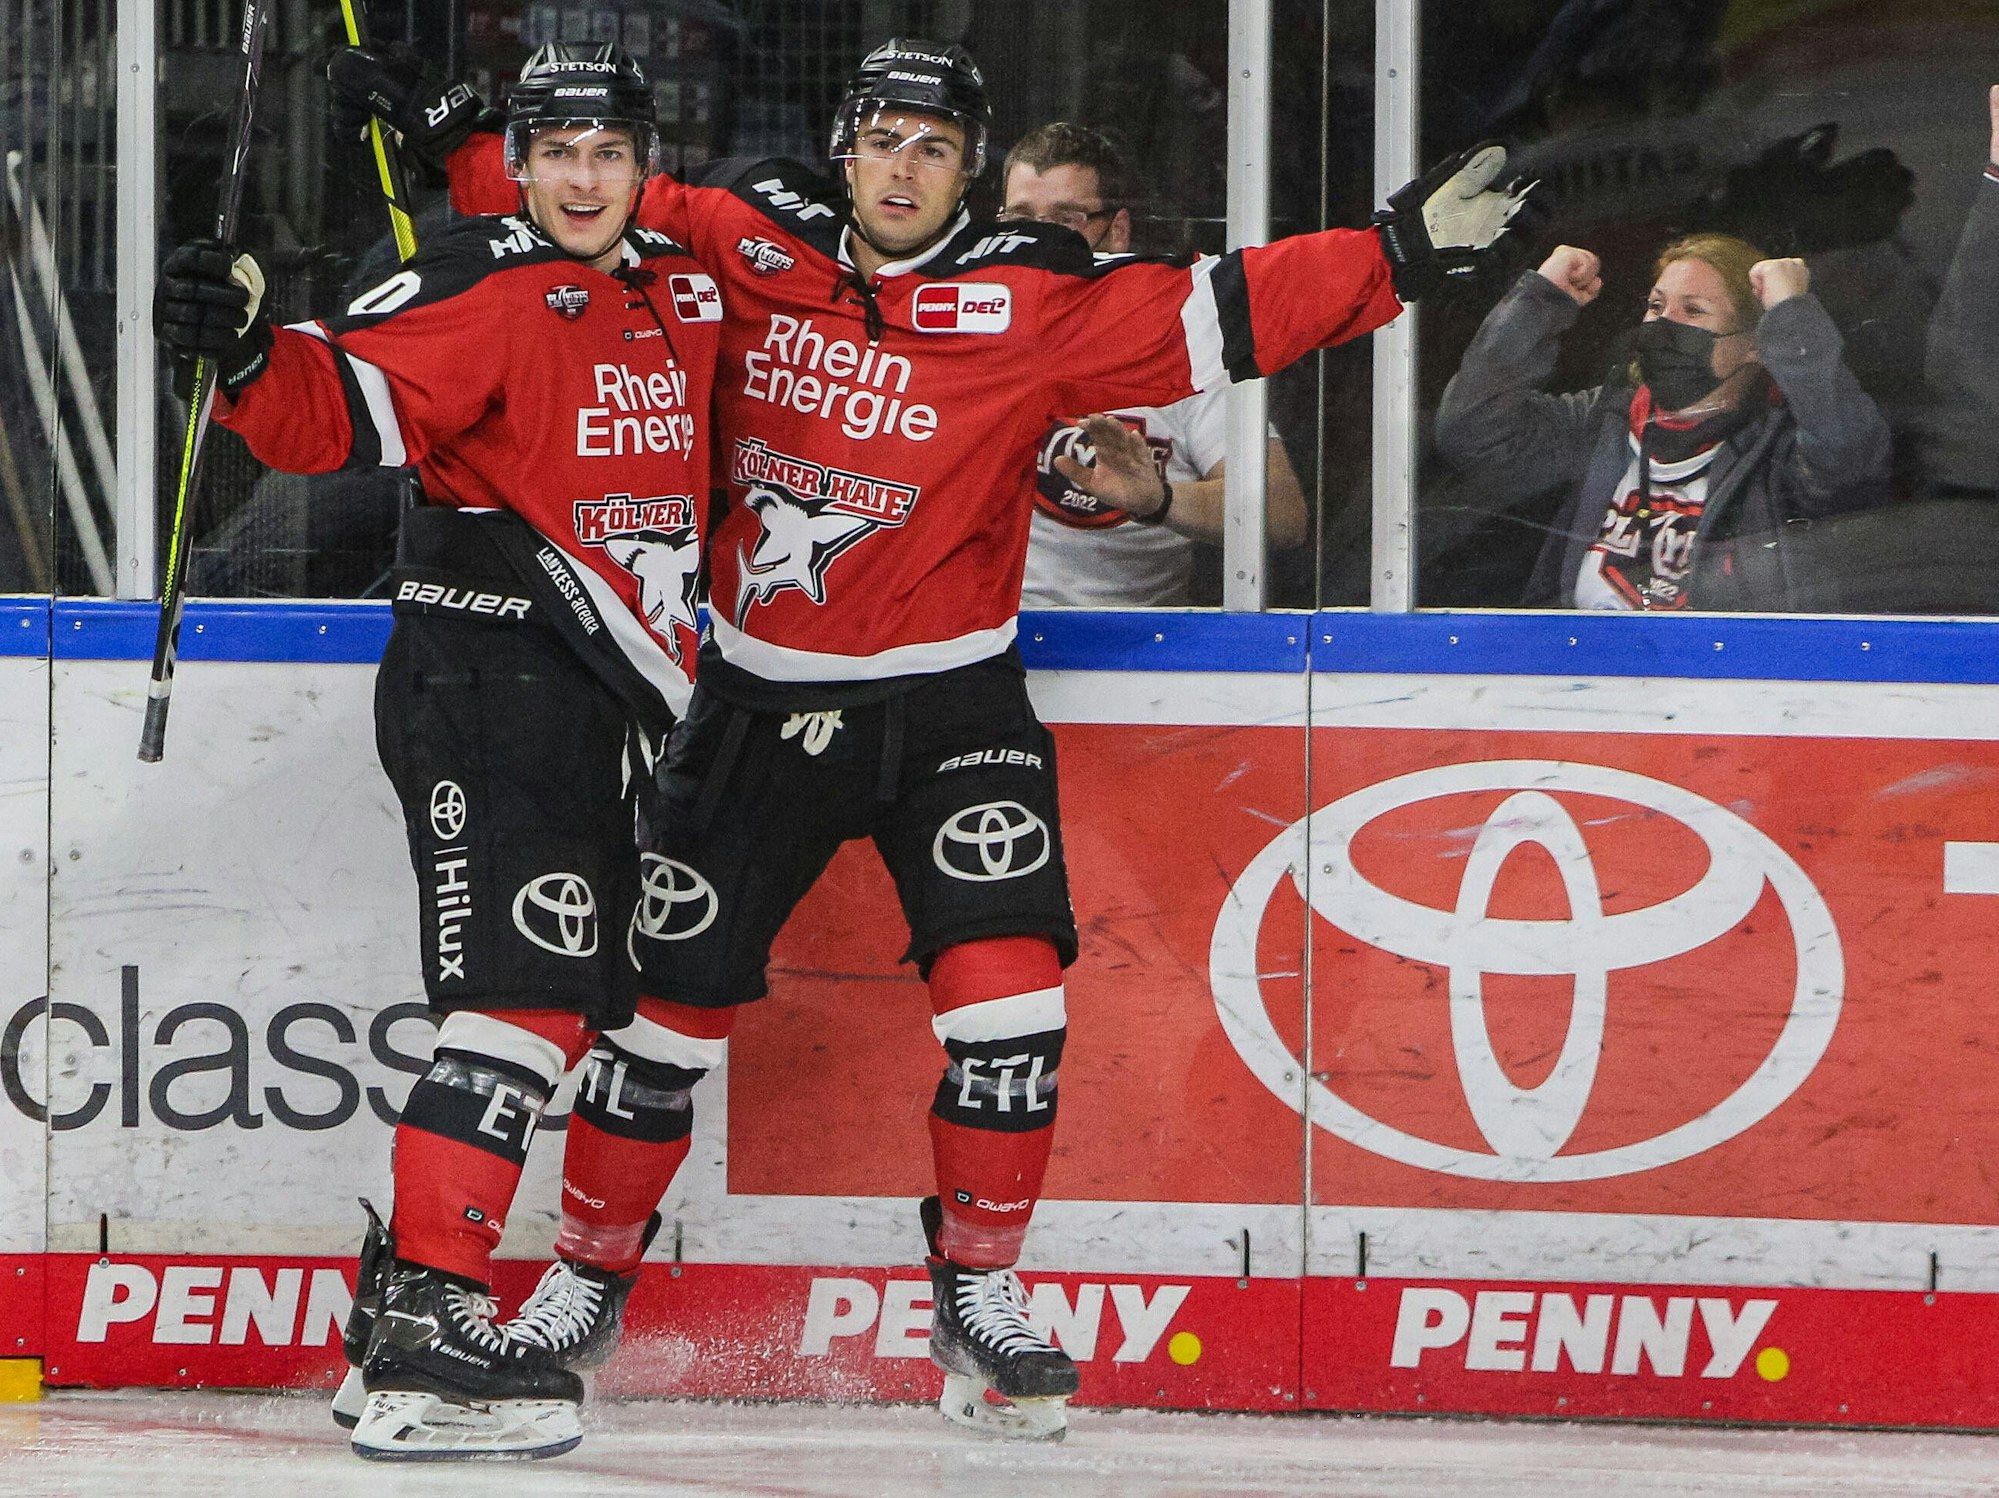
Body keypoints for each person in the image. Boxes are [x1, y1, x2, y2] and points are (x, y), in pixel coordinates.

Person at [332, 34, 1530, 1440]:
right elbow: (578, 209)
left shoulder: (1032, 295)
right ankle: (584, 1278)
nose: (902, 169)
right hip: (751, 705)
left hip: (954, 703)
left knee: (1011, 1010)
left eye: (934, 147)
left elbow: (1218, 311)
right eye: (882, 139)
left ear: (968, 167)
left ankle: (978, 1286)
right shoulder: (743, 239)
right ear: (842, 145)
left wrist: (1386, 256)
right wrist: (464, 147)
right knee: (657, 1029)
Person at [155, 44, 722, 1460]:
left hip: (596, 703)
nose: (584, 177)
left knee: (553, 1005)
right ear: (520, 165)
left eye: (609, 151)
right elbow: (332, 410)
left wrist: (442, 124)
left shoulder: (676, 281)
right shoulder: (472, 282)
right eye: (555, 152)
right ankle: (430, 1334)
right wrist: (240, 351)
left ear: (644, 160)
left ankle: (398, 1313)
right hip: (487, 677)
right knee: (518, 1005)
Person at [1435, 233, 1891, 610]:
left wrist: (1792, 317)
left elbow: (1849, 452)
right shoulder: (1602, 421)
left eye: (1693, 311)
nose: (1663, 324)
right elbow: (1472, 430)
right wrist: (1540, 300)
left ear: (1755, 344)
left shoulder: (1778, 450)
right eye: (1656, 306)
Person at [996, 122, 1308, 607]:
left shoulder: (1185, 338)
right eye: (1018, 220)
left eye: (1065, 220)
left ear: (1117, 231)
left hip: (1137, 655)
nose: (1036, 242)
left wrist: (1158, 499)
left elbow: (1283, 514)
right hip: (979, 644)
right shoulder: (958, 332)